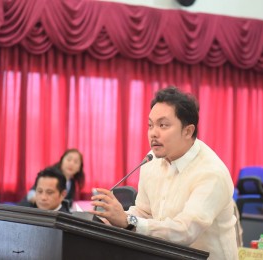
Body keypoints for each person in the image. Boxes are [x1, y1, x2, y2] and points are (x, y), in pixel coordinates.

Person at [90, 87, 238, 259]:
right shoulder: (151, 162)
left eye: (163, 125)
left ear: (188, 131)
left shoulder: (211, 173)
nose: (153, 133)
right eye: (150, 125)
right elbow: (145, 213)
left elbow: (185, 231)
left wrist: (128, 221)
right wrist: (114, 219)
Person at [19, 148, 85, 207]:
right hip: (30, 209)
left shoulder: (72, 183)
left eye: (76, 162)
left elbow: (67, 203)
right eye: (69, 159)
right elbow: (31, 194)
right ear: (61, 161)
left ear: (79, 168)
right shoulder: (50, 176)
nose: (71, 164)